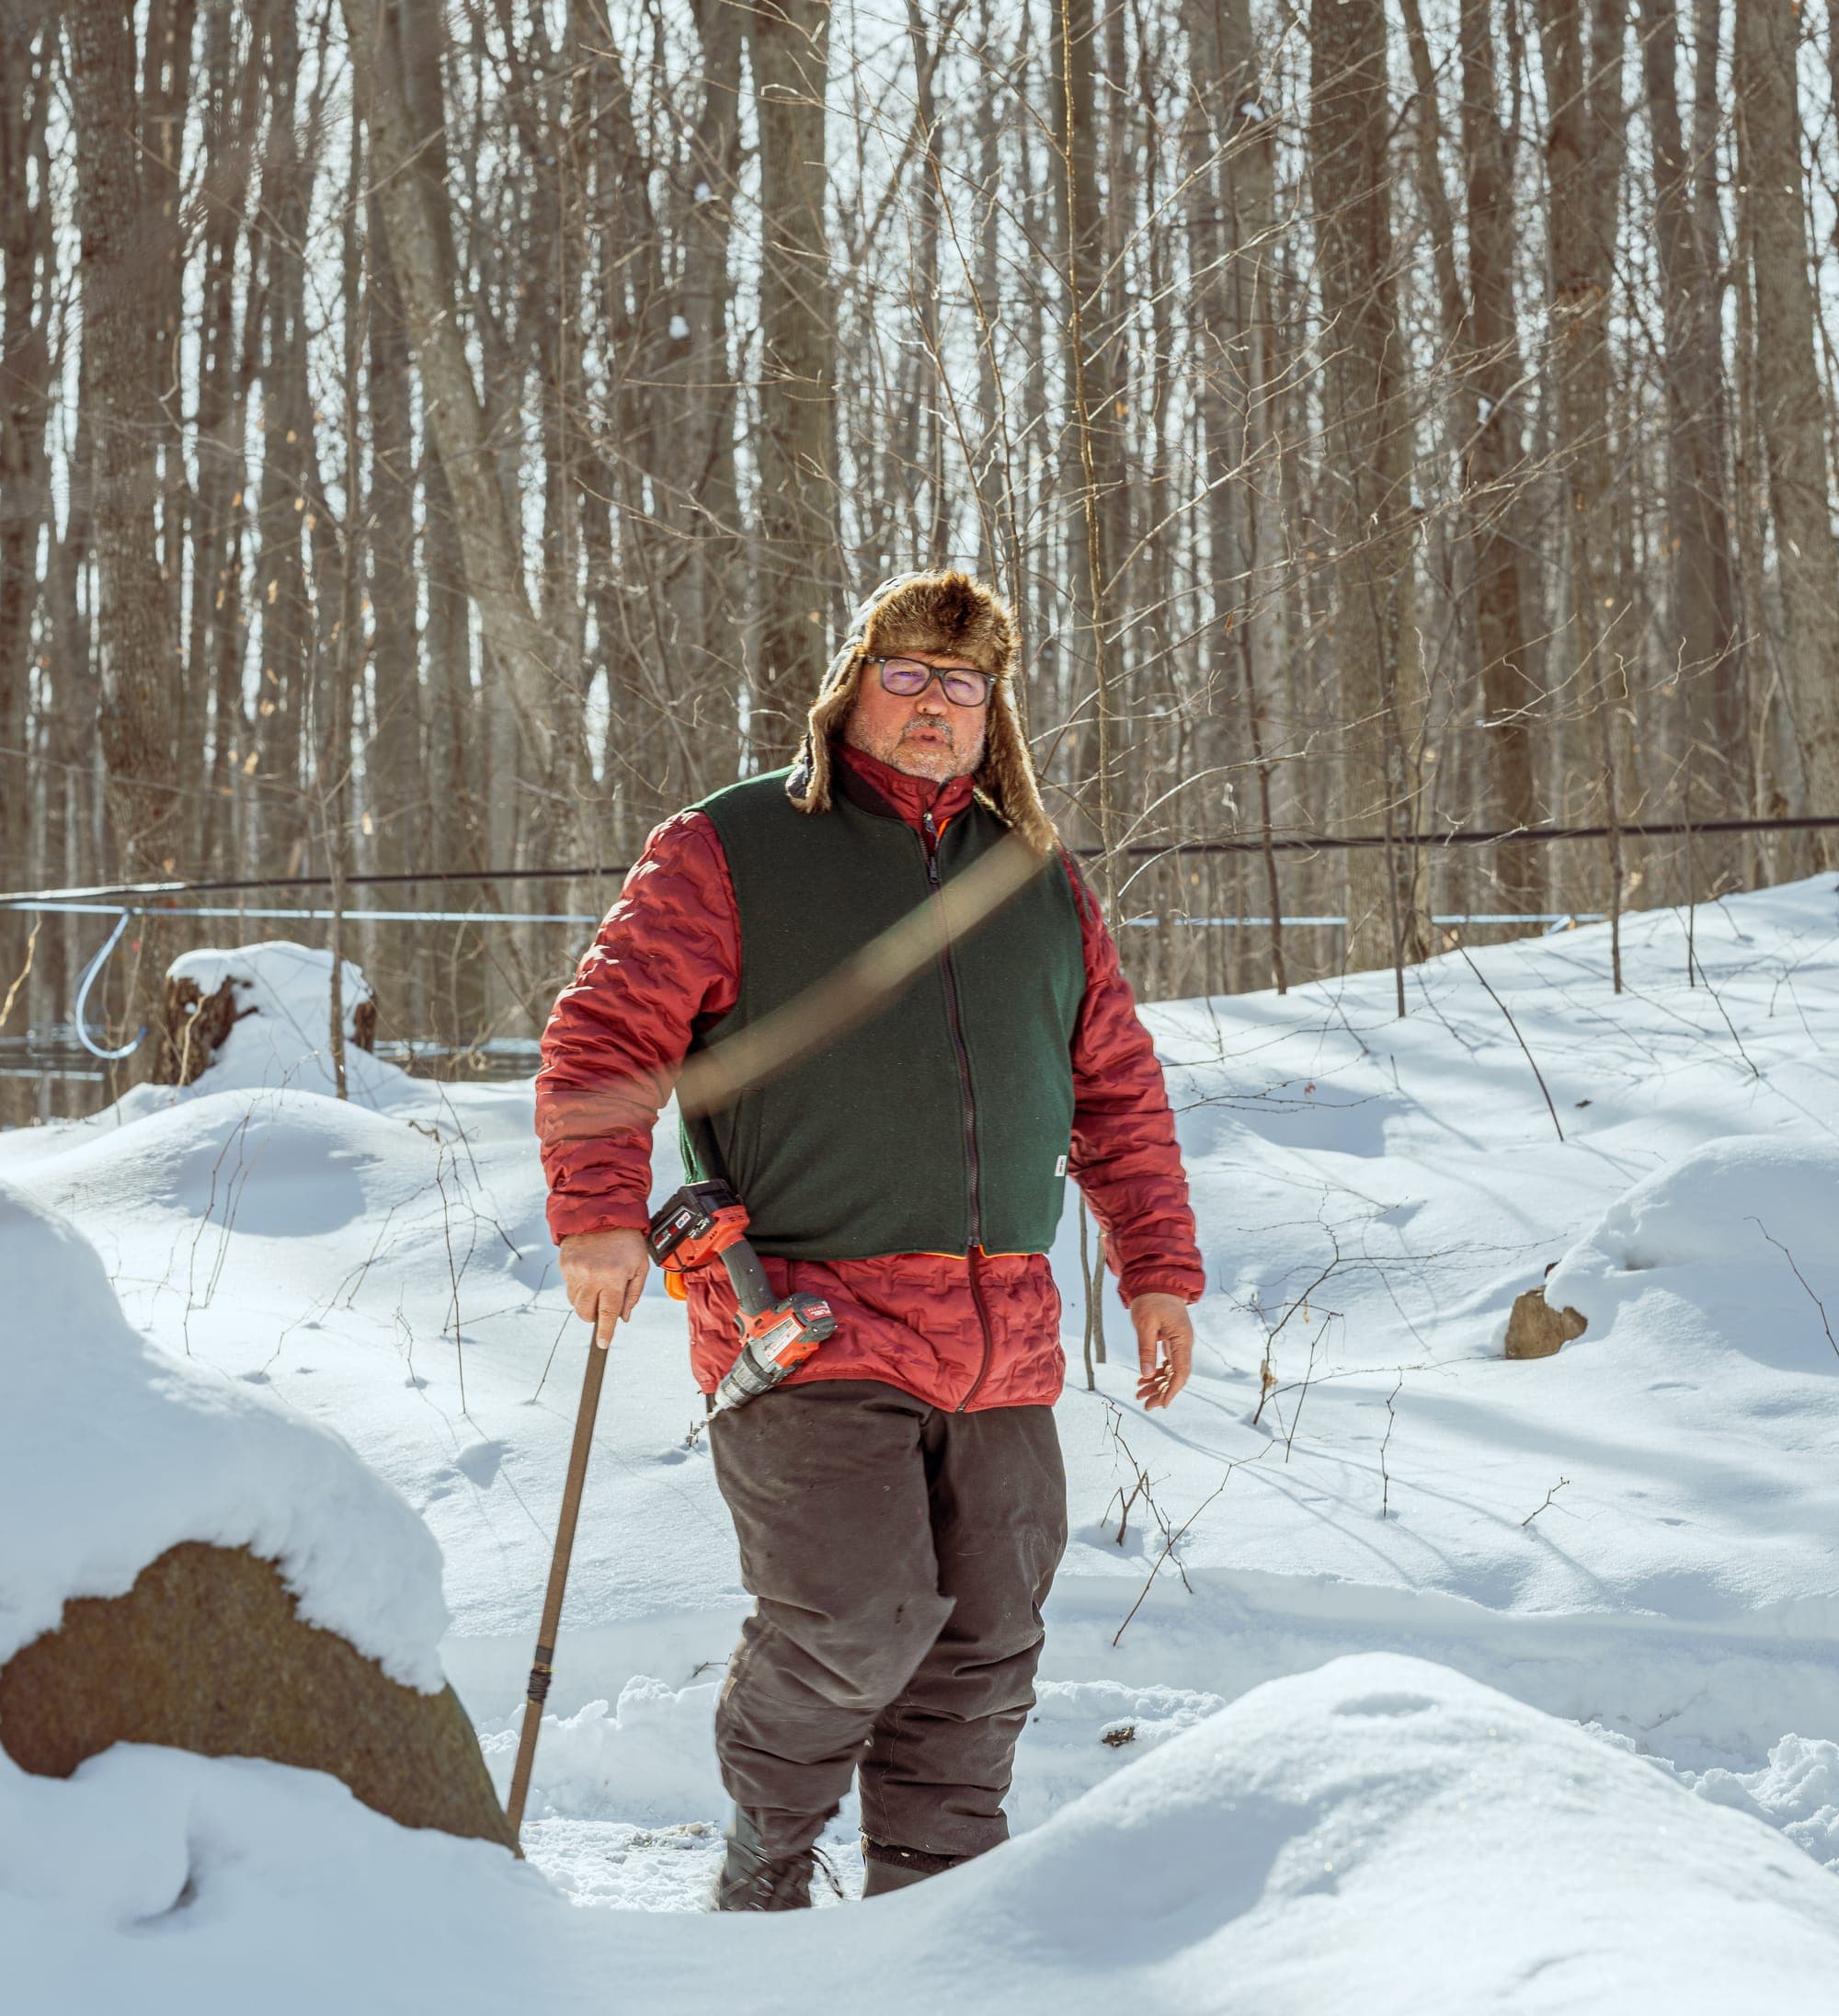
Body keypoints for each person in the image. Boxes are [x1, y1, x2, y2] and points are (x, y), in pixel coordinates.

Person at [535, 569, 1204, 1909]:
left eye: (963, 685)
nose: (935, 704)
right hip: (801, 1319)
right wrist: (601, 1214)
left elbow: (1116, 1089)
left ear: (993, 710)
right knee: (856, 1620)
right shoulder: (731, 846)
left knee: (986, 1642)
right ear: (850, 689)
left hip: (1001, 1335)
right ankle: (765, 1859)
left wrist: (1158, 1270)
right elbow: (605, 1035)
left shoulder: (1038, 880)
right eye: (907, 675)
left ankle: (934, 1916)